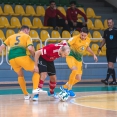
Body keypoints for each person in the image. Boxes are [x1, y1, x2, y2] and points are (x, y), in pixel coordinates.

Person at [0, 25, 40, 100]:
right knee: (36, 71)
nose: (29, 33)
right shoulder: (26, 36)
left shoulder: (11, 36)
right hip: (21, 56)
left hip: (11, 59)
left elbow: (2, 47)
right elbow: (30, 48)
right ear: (26, 30)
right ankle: (35, 90)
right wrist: (34, 55)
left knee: (20, 75)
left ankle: (26, 95)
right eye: (29, 32)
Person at [60, 27, 98, 97]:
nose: (83, 37)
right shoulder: (75, 38)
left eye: (84, 35)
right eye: (82, 35)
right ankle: (68, 89)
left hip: (79, 59)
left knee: (78, 78)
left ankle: (65, 87)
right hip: (71, 57)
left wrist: (93, 54)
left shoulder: (88, 40)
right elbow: (67, 45)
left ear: (87, 35)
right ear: (80, 33)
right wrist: (63, 52)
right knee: (74, 70)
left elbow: (87, 47)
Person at [97, 18, 117, 85]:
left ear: (113, 23)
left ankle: (106, 79)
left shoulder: (116, 30)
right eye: (108, 23)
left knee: (110, 64)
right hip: (108, 50)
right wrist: (100, 47)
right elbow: (104, 40)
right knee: (111, 66)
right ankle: (114, 81)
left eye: (110, 22)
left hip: (114, 49)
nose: (109, 24)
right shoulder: (106, 31)